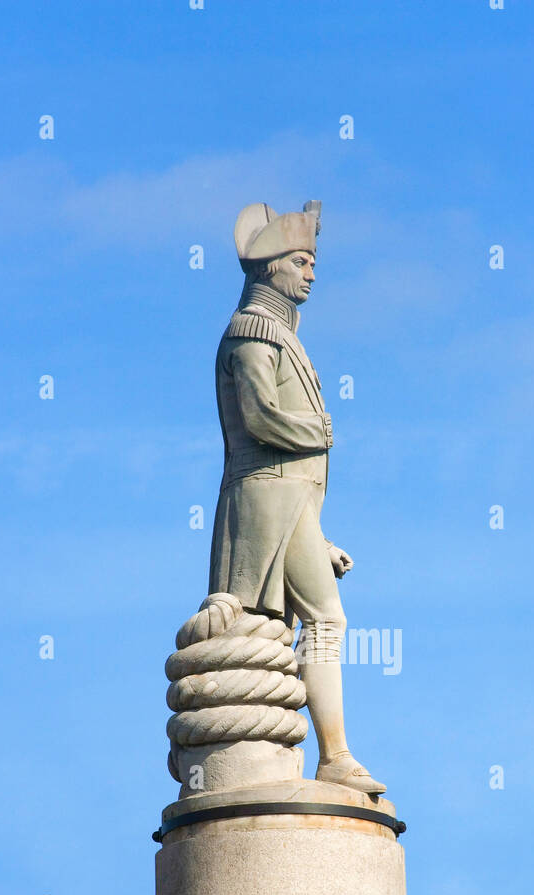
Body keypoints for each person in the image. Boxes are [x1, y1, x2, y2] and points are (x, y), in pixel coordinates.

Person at [209, 200, 385, 794]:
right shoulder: (252, 334)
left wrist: (318, 536)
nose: (312, 273)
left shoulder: (279, 334)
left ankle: (332, 753)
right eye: (302, 262)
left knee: (315, 622)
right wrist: (320, 431)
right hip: (265, 503)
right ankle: (334, 755)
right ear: (270, 268)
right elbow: (261, 418)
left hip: (289, 507)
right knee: (326, 618)